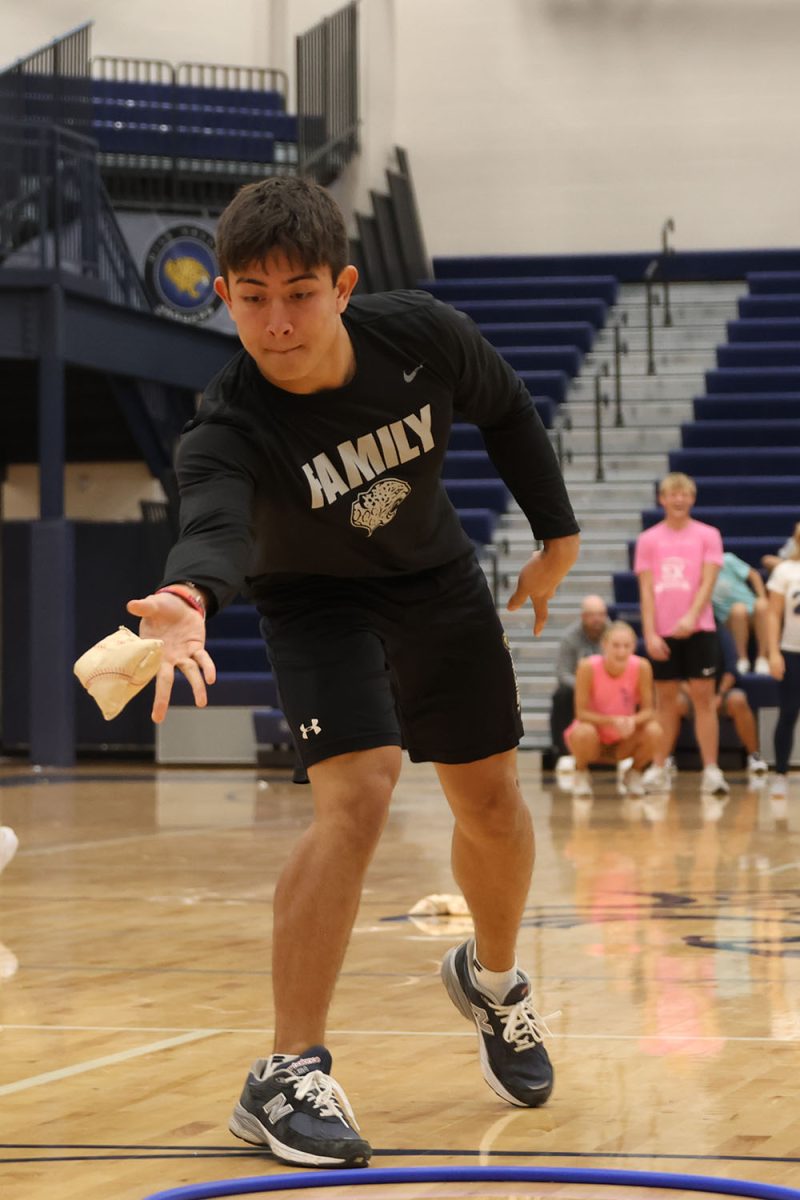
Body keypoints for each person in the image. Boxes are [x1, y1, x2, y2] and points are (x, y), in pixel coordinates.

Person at [125, 178, 580, 1169]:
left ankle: (493, 984)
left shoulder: (418, 335)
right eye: (251, 297)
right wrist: (189, 598)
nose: (276, 322)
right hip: (312, 602)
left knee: (492, 806)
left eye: (298, 293)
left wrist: (555, 533)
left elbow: (503, 408)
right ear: (225, 298)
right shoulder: (226, 424)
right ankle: (286, 1071)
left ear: (342, 286)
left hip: (433, 577)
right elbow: (209, 523)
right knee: (359, 794)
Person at [634, 472, 728, 796]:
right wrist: (649, 632)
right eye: (672, 494)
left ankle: (712, 770)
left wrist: (690, 617)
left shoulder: (709, 535)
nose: (678, 500)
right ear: (662, 499)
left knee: (704, 700)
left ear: (692, 498)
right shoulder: (648, 540)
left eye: (684, 494)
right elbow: (646, 591)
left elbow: (708, 581)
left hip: (699, 628)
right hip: (662, 633)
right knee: (666, 703)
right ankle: (659, 767)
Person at [643, 626, 768, 786]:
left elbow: (731, 670)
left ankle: (754, 756)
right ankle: (666, 757)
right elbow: (675, 677)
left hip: (718, 694)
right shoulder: (674, 632)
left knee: (738, 700)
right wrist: (693, 694)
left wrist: (719, 695)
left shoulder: (720, 633)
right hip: (689, 694)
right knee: (674, 703)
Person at [565, 621, 661, 799]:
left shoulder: (642, 667)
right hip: (594, 737)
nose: (621, 651)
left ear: (634, 646)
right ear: (604, 645)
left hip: (625, 737)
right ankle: (581, 772)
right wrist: (612, 721)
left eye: (627, 646)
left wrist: (631, 721)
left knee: (654, 731)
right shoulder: (587, 667)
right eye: (616, 645)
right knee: (582, 731)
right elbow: (581, 713)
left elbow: (649, 711)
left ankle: (635, 773)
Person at [549, 594, 608, 770]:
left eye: (600, 614)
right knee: (562, 695)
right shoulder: (570, 637)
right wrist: (584, 688)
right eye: (592, 615)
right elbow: (562, 674)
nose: (597, 619)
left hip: (609, 688)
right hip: (579, 690)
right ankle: (564, 754)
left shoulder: (614, 635)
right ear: (583, 617)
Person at [766, 529, 800, 799]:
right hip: (791, 652)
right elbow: (773, 614)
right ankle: (779, 774)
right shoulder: (785, 571)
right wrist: (774, 653)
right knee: (788, 713)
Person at [712, 550, 770, 675]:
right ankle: (742, 659)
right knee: (738, 610)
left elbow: (753, 575)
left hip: (752, 611)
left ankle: (763, 658)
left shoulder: (727, 559)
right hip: (728, 619)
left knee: (762, 605)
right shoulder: (694, 571)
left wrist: (762, 597)